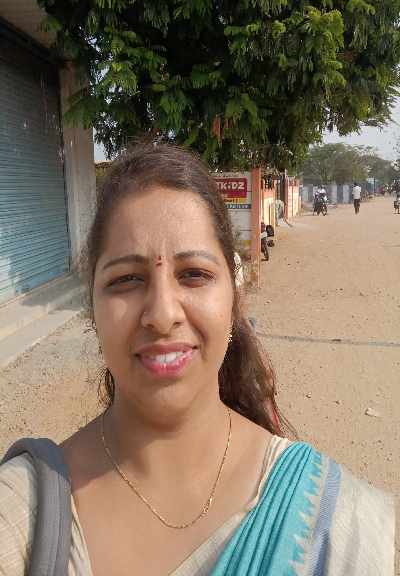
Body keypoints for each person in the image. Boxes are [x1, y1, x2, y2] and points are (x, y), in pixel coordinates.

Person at [0, 144, 395, 575]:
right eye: (127, 279)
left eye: (194, 274)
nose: (162, 314)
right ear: (92, 308)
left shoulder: (343, 527)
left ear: (234, 299)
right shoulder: (21, 517)